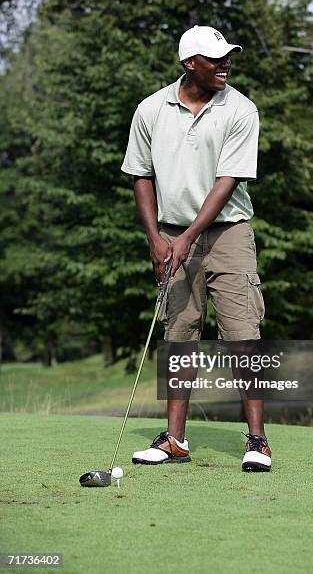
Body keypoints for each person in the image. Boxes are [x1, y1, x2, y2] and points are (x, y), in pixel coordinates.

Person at [121, 25, 271, 472]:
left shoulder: (241, 110)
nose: (226, 64)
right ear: (190, 64)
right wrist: (157, 240)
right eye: (216, 58)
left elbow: (228, 182)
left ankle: (258, 442)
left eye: (229, 56)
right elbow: (140, 175)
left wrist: (187, 238)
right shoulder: (150, 110)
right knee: (179, 333)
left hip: (229, 234)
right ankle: (175, 441)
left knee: (242, 334)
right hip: (169, 232)